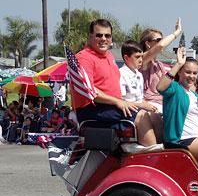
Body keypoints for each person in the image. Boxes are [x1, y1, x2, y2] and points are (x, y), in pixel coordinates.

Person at [73, 19, 156, 147]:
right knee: (142, 116)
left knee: (156, 117)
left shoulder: (110, 57)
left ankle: (165, 155)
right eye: (99, 35)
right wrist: (118, 102)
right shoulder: (84, 57)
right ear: (90, 36)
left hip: (111, 107)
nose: (103, 39)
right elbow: (90, 90)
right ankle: (151, 158)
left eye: (107, 35)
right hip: (94, 109)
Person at [119, 40, 162, 143]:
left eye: (142, 57)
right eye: (137, 57)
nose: (141, 60)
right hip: (129, 111)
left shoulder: (139, 75)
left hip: (140, 107)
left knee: (159, 117)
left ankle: (163, 146)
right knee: (147, 115)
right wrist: (144, 106)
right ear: (126, 58)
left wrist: (146, 104)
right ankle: (150, 147)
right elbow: (121, 101)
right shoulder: (121, 74)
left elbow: (139, 97)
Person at [139, 18, 182, 113]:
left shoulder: (160, 65)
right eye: (158, 39)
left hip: (163, 104)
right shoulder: (142, 60)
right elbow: (160, 46)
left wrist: (179, 63)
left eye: (162, 39)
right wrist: (177, 32)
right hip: (149, 105)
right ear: (148, 43)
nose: (162, 41)